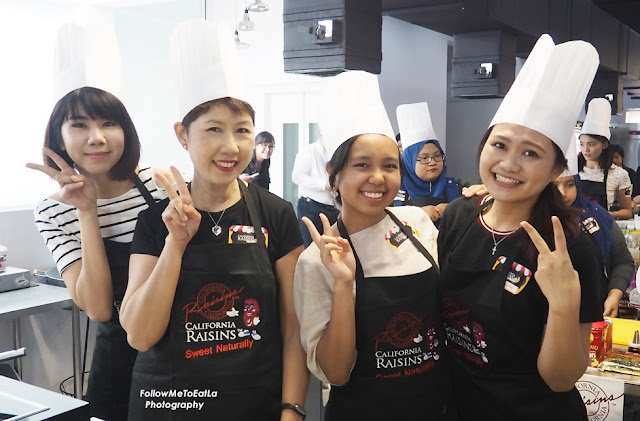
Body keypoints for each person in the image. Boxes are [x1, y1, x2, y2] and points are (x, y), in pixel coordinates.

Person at [119, 20, 308, 420]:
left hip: (253, 404)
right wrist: (175, 243)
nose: (230, 146)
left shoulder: (276, 214)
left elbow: (293, 329)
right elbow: (140, 335)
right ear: (183, 135)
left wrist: (292, 411)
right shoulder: (154, 221)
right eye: (214, 129)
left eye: (242, 131)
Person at [437, 34, 604, 420]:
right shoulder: (459, 216)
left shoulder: (570, 248)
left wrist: (563, 304)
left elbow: (561, 379)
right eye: (499, 145)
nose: (509, 164)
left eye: (530, 153)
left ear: (556, 169)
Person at [294, 71, 454, 420]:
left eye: (389, 166)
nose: (378, 178)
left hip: (436, 408)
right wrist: (343, 283)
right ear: (334, 175)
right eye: (362, 165)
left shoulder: (417, 222)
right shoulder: (315, 260)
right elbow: (336, 373)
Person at [27, 24, 167, 421]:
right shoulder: (52, 211)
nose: (97, 137)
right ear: (59, 136)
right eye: (79, 125)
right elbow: (99, 307)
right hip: (117, 365)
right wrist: (87, 212)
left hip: (181, 351)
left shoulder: (159, 185)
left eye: (108, 123)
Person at [394, 102, 460, 224]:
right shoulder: (394, 191)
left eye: (437, 156)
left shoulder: (454, 188)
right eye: (424, 158)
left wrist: (453, 211)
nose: (432, 162)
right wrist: (417, 215)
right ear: (409, 162)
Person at [578, 98, 632, 220]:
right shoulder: (573, 170)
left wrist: (609, 215)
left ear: (605, 144)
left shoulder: (619, 174)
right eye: (582, 144)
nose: (585, 149)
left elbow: (627, 211)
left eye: (591, 144)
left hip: (601, 227)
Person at [292, 133, 339, 247]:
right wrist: (324, 184)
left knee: (331, 247)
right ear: (321, 135)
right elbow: (297, 176)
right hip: (311, 207)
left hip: (333, 208)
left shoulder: (335, 154)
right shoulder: (308, 152)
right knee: (310, 247)